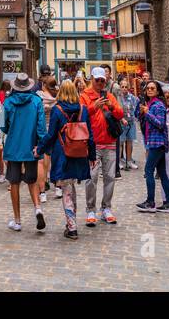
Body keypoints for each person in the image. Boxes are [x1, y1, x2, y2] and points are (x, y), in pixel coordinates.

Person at [38, 80, 95, 239]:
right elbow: (90, 135)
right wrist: (92, 155)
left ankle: (72, 227)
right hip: (79, 154)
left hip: (63, 154)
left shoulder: (57, 110)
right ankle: (72, 223)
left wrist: (39, 149)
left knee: (67, 191)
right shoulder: (83, 109)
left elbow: (50, 135)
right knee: (70, 189)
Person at [1, 73, 47, 232]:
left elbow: (2, 125)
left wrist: (10, 128)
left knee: (14, 182)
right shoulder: (36, 101)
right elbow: (41, 127)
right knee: (32, 180)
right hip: (30, 146)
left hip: (14, 146)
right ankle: (37, 208)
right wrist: (40, 145)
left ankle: (17, 220)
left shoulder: (7, 102)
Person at [80, 66, 124, 225]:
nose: (99, 83)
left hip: (110, 143)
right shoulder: (85, 96)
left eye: (102, 80)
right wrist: (94, 107)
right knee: (91, 178)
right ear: (91, 79)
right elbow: (80, 115)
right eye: (97, 80)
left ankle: (106, 208)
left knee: (110, 177)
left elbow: (120, 114)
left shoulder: (110, 96)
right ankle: (90, 209)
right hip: (93, 144)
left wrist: (111, 107)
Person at [136, 79, 169, 213]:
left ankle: (150, 202)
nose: (150, 90)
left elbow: (160, 123)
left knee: (148, 170)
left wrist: (147, 113)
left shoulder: (158, 105)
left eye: (152, 88)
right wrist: (142, 112)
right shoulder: (149, 104)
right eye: (148, 88)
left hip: (157, 142)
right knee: (162, 173)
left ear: (158, 91)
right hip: (153, 141)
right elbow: (139, 118)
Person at [37, 73, 57, 203]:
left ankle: (43, 189)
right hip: (54, 131)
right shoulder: (56, 99)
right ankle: (58, 187)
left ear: (44, 85)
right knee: (54, 159)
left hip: (42, 131)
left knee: (42, 161)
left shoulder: (39, 97)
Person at [119, 78, 139, 170]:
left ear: (129, 88)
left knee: (130, 141)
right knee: (120, 142)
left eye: (126, 87)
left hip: (131, 122)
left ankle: (129, 160)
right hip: (121, 122)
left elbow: (135, 109)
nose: (124, 88)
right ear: (120, 87)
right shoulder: (118, 98)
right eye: (122, 87)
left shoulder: (133, 98)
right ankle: (119, 160)